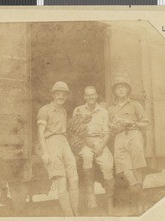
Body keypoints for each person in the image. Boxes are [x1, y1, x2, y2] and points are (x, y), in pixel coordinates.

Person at [108, 75, 150, 215]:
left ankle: (136, 207)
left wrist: (132, 123)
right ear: (114, 91)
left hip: (134, 134)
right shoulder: (111, 109)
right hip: (119, 138)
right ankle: (139, 196)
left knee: (137, 168)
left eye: (123, 87)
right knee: (126, 170)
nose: (120, 90)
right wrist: (113, 126)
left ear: (127, 90)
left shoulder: (135, 105)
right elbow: (108, 127)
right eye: (117, 88)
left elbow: (146, 124)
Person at [37, 81, 79, 216]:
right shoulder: (44, 110)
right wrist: (44, 152)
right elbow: (40, 133)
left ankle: (76, 213)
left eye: (64, 94)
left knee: (74, 178)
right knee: (61, 181)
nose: (61, 97)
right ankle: (69, 215)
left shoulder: (63, 110)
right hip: (51, 141)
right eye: (58, 94)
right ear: (53, 95)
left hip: (63, 142)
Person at [73, 86, 114, 214]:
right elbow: (76, 130)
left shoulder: (103, 112)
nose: (90, 97)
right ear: (85, 97)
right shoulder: (78, 110)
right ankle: (91, 199)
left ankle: (110, 202)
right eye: (88, 95)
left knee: (107, 165)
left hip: (100, 142)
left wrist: (101, 147)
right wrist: (86, 141)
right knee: (87, 157)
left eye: (93, 95)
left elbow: (107, 132)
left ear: (96, 96)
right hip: (84, 141)